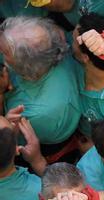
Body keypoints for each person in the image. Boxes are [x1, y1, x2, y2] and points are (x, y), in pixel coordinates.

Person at [0, 18, 82, 156]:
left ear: (25, 66)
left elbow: (6, 141)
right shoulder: (52, 43)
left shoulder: (40, 113)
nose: (1, 53)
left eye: (5, 53)